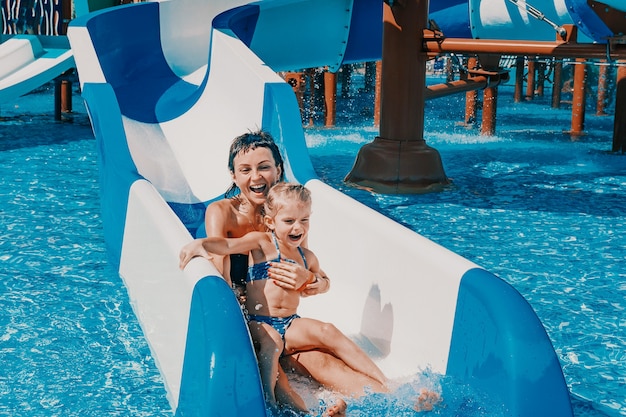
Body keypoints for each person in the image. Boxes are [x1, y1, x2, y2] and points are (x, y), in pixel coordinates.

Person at [192, 182, 387, 414]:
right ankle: (285, 407)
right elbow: (226, 245)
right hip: (259, 324)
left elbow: (323, 280)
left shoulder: (307, 257)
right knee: (276, 360)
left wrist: (315, 281)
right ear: (270, 222)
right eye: (289, 221)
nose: (298, 227)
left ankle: (385, 383)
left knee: (327, 330)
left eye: (304, 220)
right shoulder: (262, 243)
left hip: (290, 323)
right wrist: (200, 244)